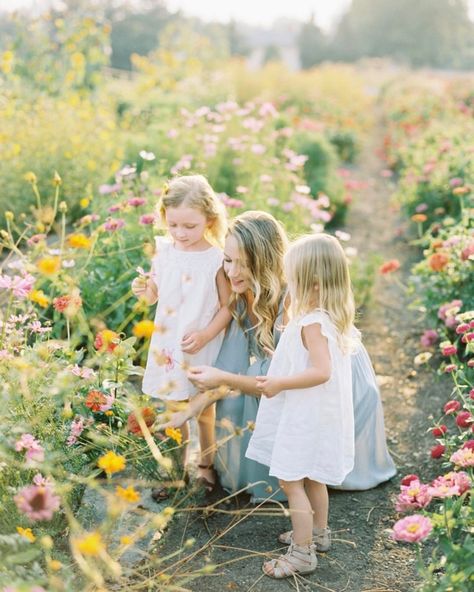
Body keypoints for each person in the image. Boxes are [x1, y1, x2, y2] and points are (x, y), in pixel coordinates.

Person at [161, 212, 396, 501]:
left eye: (244, 264)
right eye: (228, 259)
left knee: (253, 397)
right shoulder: (241, 292)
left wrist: (221, 379)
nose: (232, 272)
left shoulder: (294, 298)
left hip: (332, 383)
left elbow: (275, 379)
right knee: (233, 406)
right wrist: (187, 410)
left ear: (265, 263)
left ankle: (306, 474)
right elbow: (230, 366)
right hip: (287, 380)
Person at [246, 233, 357, 578]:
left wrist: (279, 381)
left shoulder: (311, 323)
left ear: (312, 283)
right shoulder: (324, 319)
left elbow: (320, 371)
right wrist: (281, 360)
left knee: (291, 479)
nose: (286, 283)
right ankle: (318, 534)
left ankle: (301, 554)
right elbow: (308, 360)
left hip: (304, 416)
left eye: (291, 276)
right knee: (312, 478)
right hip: (316, 414)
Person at [131, 174, 232, 497]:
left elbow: (228, 307)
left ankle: (205, 466)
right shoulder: (164, 251)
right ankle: (175, 472)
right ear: (164, 218)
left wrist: (205, 334)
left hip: (202, 342)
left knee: (203, 410)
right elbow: (153, 296)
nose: (180, 233)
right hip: (170, 343)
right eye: (173, 225)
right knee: (174, 409)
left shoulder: (217, 258)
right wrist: (142, 290)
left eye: (190, 226)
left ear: (209, 219)